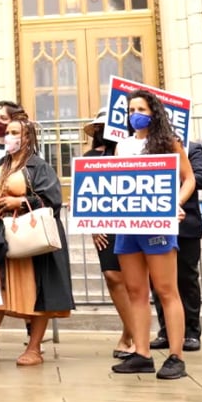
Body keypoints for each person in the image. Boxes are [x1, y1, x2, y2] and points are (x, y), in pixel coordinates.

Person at [0, 116, 74, 366]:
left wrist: (21, 202)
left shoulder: (39, 166)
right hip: (1, 237)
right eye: (7, 132)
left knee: (37, 290)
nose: (9, 136)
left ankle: (34, 348)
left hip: (31, 239)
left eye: (15, 132)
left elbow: (53, 200)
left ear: (27, 137)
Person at [111, 89, 195, 380]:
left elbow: (189, 179)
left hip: (157, 225)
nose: (136, 114)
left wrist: (176, 204)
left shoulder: (169, 143)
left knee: (166, 289)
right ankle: (142, 353)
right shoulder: (121, 147)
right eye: (132, 109)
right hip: (127, 227)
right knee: (135, 291)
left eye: (142, 109)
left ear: (154, 112)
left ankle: (175, 356)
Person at [82, 109, 134, 360]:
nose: (104, 131)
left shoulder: (131, 151)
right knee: (113, 276)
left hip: (133, 221)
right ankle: (131, 332)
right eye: (99, 127)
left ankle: (131, 335)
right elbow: (87, 194)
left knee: (133, 279)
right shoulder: (90, 157)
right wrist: (93, 225)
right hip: (105, 224)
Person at [150, 141, 202, 353]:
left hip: (186, 225)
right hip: (156, 225)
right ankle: (166, 331)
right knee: (158, 281)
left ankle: (192, 332)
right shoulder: (147, 148)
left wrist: (171, 172)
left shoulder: (191, 149)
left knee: (186, 279)